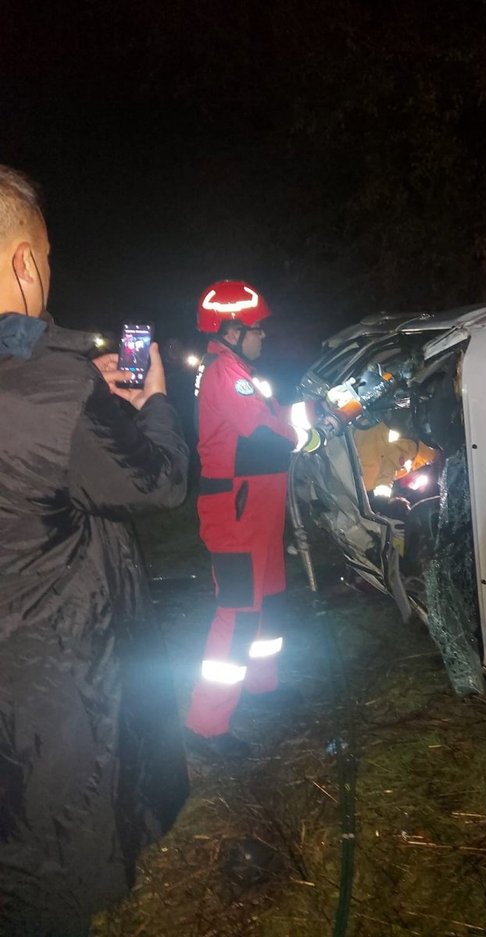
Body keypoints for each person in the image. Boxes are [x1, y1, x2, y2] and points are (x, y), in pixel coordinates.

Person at [0, 165, 190, 936]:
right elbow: (160, 484)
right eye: (45, 254)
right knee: (48, 875)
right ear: (24, 262)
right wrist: (151, 403)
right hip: (49, 686)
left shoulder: (59, 390)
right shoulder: (53, 390)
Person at [185, 280, 296, 752]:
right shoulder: (225, 375)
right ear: (231, 330)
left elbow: (274, 419)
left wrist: (315, 412)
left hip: (258, 513)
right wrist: (305, 430)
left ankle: (262, 686)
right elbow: (269, 435)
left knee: (267, 603)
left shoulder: (239, 371)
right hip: (236, 515)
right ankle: (206, 725)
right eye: (256, 329)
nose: (263, 336)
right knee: (237, 614)